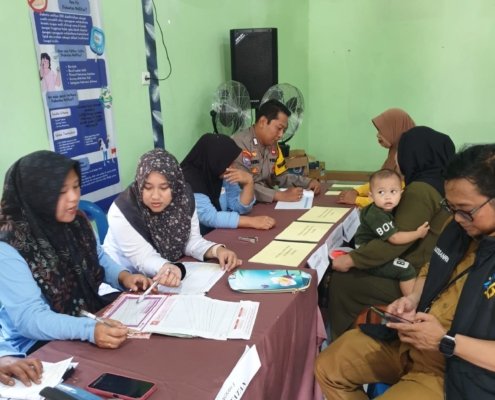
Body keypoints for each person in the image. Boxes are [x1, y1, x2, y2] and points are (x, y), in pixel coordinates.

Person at [315, 144, 495, 400]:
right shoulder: (458, 228)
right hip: (412, 340)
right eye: (451, 207)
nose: (457, 218)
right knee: (328, 366)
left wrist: (446, 341)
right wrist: (413, 299)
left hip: (455, 369)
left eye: (466, 210)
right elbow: (431, 269)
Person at [0, 151, 151, 355]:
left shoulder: (76, 221)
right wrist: (88, 330)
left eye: (76, 186)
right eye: (61, 191)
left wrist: (124, 277)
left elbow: (97, 258)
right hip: (39, 344)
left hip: (88, 317)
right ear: (36, 195)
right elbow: (31, 319)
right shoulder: (8, 244)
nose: (73, 198)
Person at [328, 126, 455, 339]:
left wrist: (352, 260)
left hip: (416, 274)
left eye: (401, 152)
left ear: (413, 154)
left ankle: (341, 338)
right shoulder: (441, 183)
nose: (397, 159)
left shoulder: (420, 190)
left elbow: (395, 242)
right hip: (430, 268)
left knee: (342, 281)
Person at [103, 148, 241, 288]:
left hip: (162, 274)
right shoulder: (123, 210)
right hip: (122, 281)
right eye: (148, 187)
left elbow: (191, 240)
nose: (155, 196)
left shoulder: (183, 198)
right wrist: (169, 268)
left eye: (164, 188)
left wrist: (217, 250)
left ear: (175, 185)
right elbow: (144, 258)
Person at [341, 168, 430, 296]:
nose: (388, 197)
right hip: (366, 251)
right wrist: (418, 234)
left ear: (401, 193)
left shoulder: (387, 209)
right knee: (406, 270)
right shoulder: (376, 214)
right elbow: (394, 238)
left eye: (393, 191)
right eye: (381, 192)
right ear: (371, 196)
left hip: (374, 246)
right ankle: (411, 304)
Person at [181, 133, 276, 234]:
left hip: (218, 233)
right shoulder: (188, 182)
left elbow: (239, 208)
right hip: (197, 238)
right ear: (215, 160)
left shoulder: (218, 172)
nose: (232, 167)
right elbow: (210, 218)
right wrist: (252, 222)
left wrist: (249, 183)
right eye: (228, 162)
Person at [232, 99, 321, 203]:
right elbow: (243, 184)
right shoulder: (238, 144)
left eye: (284, 130)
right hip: (244, 205)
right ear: (263, 122)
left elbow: (280, 176)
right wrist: (279, 195)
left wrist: (308, 182)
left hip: (266, 203)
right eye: (279, 128)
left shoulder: (272, 144)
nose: (281, 135)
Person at [338, 108, 416, 207]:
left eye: (382, 130)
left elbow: (393, 200)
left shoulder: (409, 159)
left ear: (396, 129)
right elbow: (383, 182)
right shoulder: (394, 153)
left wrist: (356, 200)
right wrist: (356, 191)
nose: (378, 135)